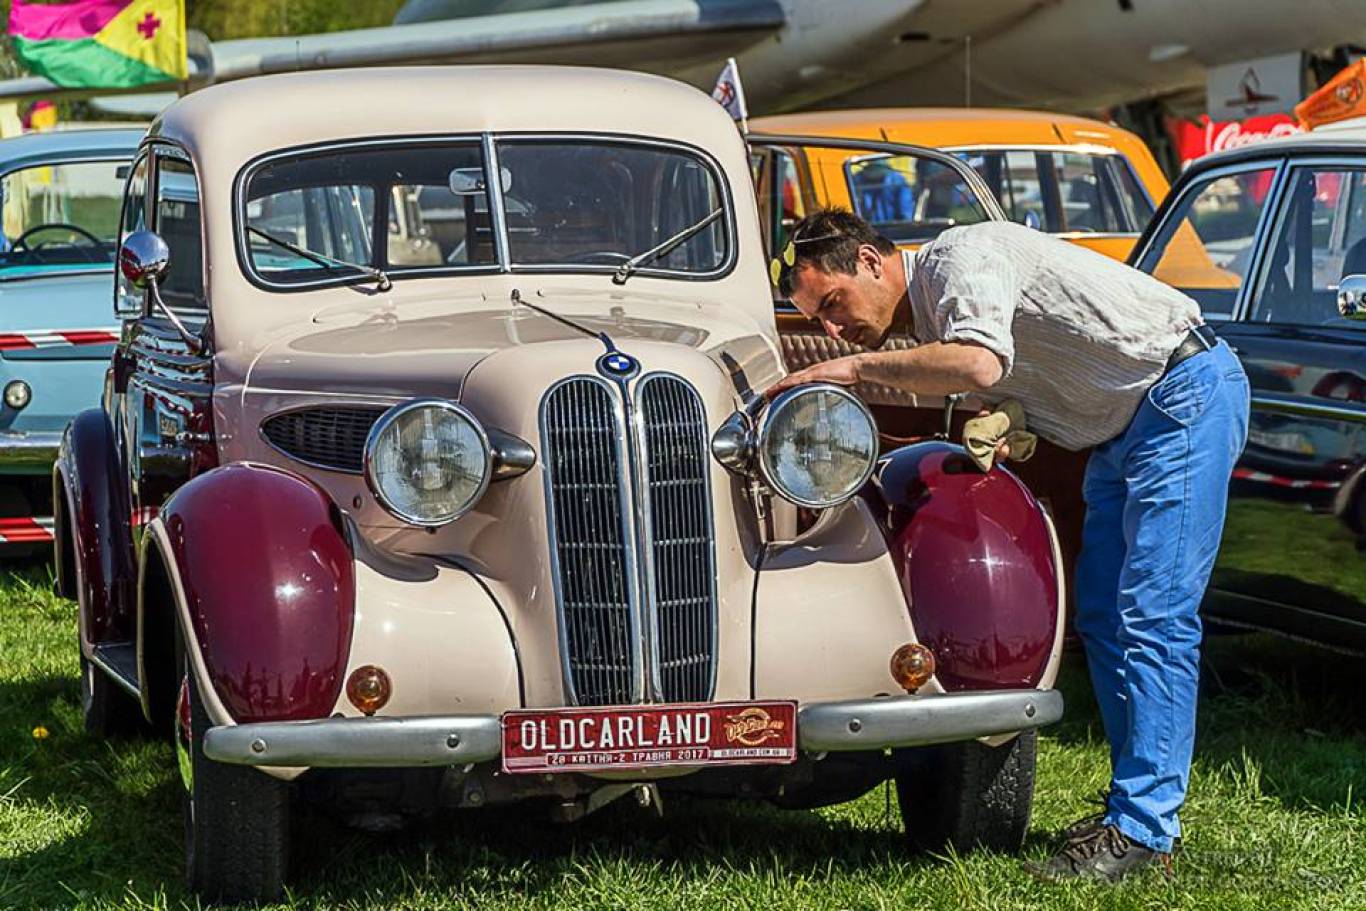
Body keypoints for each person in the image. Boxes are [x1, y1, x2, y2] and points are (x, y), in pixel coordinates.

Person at [769, 208, 1250, 883]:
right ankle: (1131, 809)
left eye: (833, 302)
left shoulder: (960, 260)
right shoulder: (935, 313)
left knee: (1152, 618)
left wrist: (852, 369)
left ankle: (1144, 827)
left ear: (873, 262)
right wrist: (1013, 419)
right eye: (817, 316)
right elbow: (1016, 366)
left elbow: (979, 359)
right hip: (1126, 424)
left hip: (1180, 398)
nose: (831, 326)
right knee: (1106, 619)